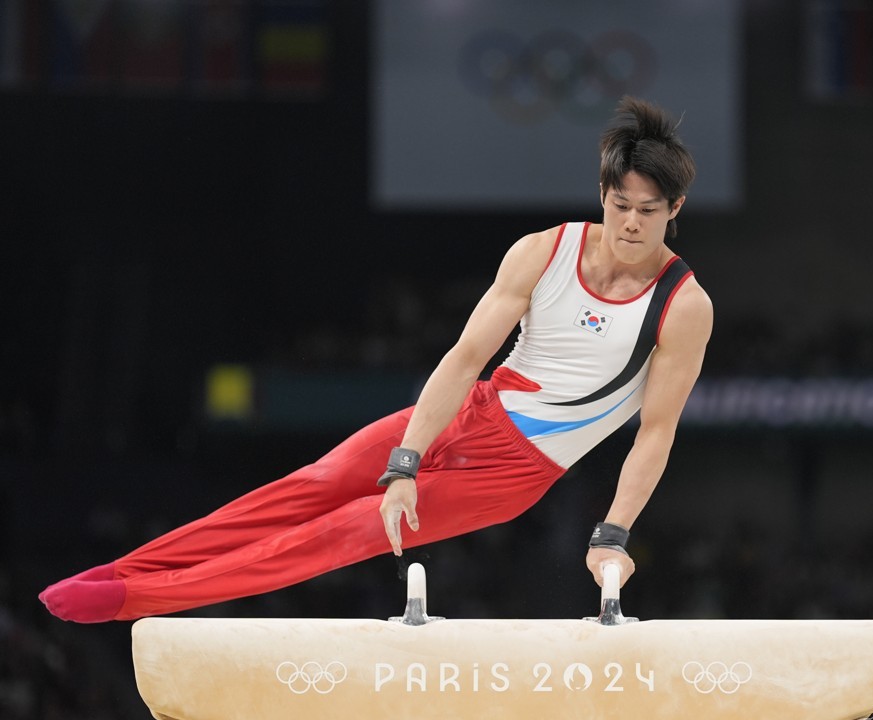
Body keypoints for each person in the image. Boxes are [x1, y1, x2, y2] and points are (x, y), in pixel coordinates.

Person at [39, 96, 711, 623]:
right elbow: (465, 356)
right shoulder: (544, 251)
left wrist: (613, 533)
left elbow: (656, 430)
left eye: (647, 212)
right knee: (308, 488)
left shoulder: (682, 307)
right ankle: (124, 572)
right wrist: (406, 461)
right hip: (469, 410)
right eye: (619, 204)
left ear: (674, 209)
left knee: (341, 533)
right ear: (602, 194)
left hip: (515, 470)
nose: (629, 223)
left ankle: (138, 602)